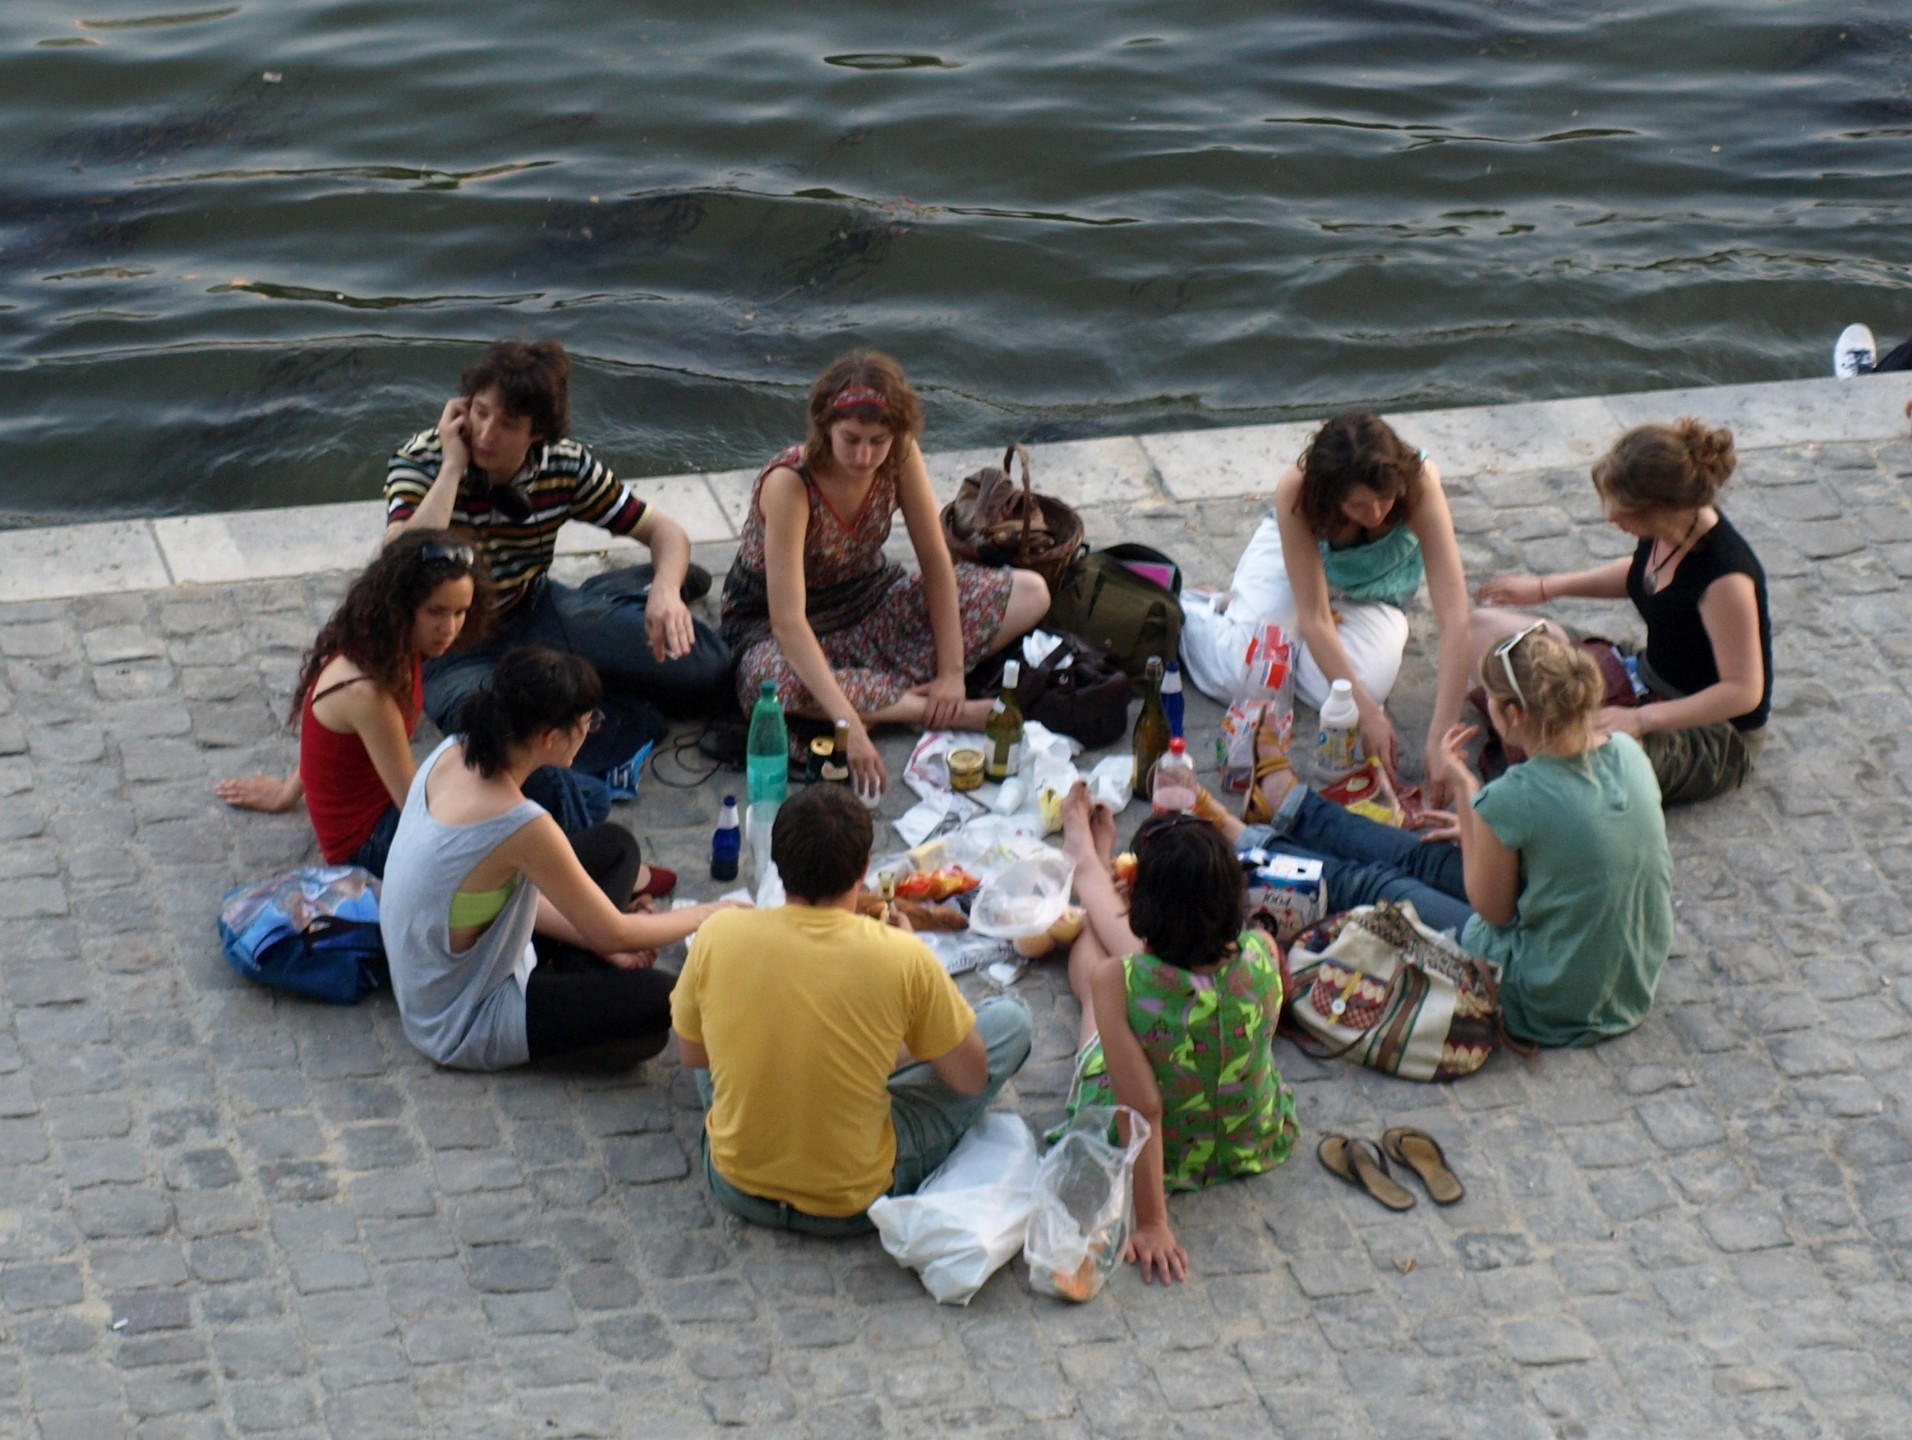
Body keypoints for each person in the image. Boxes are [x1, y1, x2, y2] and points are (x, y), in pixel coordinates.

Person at [1204, 628, 1673, 1048]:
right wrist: (1482, 828)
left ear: (1513, 713)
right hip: (1619, 978)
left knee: (1379, 888)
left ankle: (1251, 843)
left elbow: (1494, 912)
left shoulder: (1514, 796)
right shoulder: (1626, 752)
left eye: (1486, 696)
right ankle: (1292, 807)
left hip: (1546, 991)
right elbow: (1561, 848)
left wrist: (1470, 794)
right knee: (1424, 853)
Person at [671, 784, 1033, 1235]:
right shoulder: (904, 957)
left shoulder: (717, 933)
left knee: (715, 1020)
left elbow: (693, 1056)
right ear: (864, 870)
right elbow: (969, 1078)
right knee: (1010, 1021)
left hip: (736, 1182)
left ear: (778, 866)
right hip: (851, 1200)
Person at [384, 338, 732, 777]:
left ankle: (621, 598)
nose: (487, 434)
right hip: (452, 646)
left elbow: (664, 531)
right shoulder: (422, 460)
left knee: (709, 669)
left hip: (536, 611)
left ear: (537, 434)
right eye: (481, 412)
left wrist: (666, 592)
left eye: (508, 424)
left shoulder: (564, 465)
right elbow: (399, 559)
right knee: (505, 742)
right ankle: (601, 660)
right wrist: (453, 469)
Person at [377, 648, 737, 1071]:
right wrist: (713, 913)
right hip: (463, 1015)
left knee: (615, 846)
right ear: (551, 737)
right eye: (588, 724)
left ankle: (577, 981)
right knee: (663, 1001)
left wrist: (597, 942)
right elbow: (616, 933)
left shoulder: (453, 752)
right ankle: (574, 990)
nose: (592, 732)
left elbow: (502, 900)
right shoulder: (520, 824)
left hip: (449, 969)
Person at [718, 351, 1051, 795]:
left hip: (872, 600)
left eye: (878, 440)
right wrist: (849, 726)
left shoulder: (899, 456)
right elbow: (788, 622)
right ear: (824, 428)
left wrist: (952, 672)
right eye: (851, 438)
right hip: (776, 627)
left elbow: (935, 560)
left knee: (1031, 591)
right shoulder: (791, 484)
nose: (865, 454)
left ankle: (890, 695)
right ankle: (918, 708)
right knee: (773, 684)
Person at [214, 534, 626, 869]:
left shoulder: (387, 647)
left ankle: (567, 856)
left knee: (589, 795)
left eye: (461, 612)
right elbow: (417, 810)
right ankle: (577, 877)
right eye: (436, 612)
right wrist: (494, 801)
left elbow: (332, 752)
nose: (450, 628)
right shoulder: (368, 691)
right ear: (401, 606)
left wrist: (288, 792)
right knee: (552, 789)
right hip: (369, 843)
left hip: (393, 809)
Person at [1055, 786, 1297, 1285]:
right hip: (1246, 1138)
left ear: (1139, 906)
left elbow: (1142, 1110)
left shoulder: (1120, 982)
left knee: (1097, 964)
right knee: (1128, 971)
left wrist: (1154, 1224)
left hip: (1169, 1148)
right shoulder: (1265, 948)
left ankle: (1087, 869)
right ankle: (1089, 867)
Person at [1178, 411, 1474, 806]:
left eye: (1385, 499)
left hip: (1373, 593)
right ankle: (1192, 611)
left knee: (1349, 691)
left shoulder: (1420, 483)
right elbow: (1314, 618)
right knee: (1247, 672)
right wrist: (1370, 715)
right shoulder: (1297, 490)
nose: (1376, 514)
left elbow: (1455, 618)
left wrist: (1440, 737)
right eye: (1359, 504)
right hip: (1295, 567)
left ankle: (1266, 630)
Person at [1472, 419, 1771, 806]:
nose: (1611, 516)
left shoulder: (1726, 579)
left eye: (1624, 509)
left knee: (1561, 764)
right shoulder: (1671, 532)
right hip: (1646, 675)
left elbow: (1744, 692)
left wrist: (1640, 721)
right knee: (1487, 631)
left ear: (1662, 508)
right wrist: (1545, 588)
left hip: (1710, 732)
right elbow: (1643, 577)